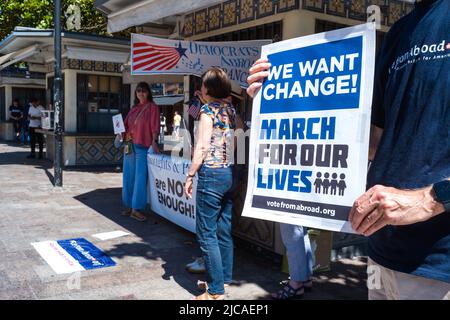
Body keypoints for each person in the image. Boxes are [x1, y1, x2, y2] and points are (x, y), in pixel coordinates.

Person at [247, 0, 449, 300]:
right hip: (382, 254)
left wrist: (431, 199)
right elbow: (375, 143)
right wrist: (277, 101)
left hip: (439, 264)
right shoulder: (400, 32)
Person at [184, 68, 238, 300]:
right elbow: (238, 138)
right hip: (228, 173)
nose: (202, 89)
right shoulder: (231, 110)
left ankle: (216, 291)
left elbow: (203, 147)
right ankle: (223, 279)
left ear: (208, 89)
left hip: (211, 175)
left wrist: (190, 174)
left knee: (206, 233)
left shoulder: (207, 112)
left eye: (204, 85)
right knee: (223, 230)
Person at [121, 82, 160, 222]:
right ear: (135, 93)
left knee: (140, 178)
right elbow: (125, 125)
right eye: (138, 91)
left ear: (148, 92)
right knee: (128, 177)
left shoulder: (152, 107)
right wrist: (119, 131)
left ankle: (136, 209)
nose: (141, 93)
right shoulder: (134, 108)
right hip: (130, 145)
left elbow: (155, 126)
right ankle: (129, 206)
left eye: (143, 91)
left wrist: (154, 142)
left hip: (143, 146)